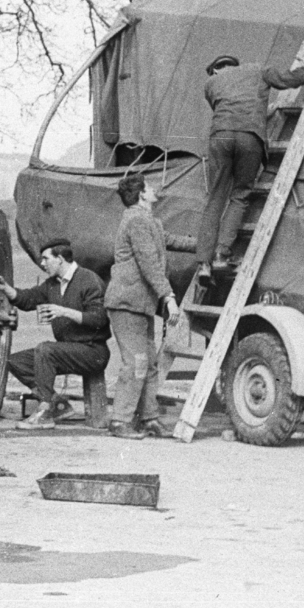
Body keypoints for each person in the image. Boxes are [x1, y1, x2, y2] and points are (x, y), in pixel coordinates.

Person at [197, 50, 304, 275]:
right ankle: (221, 255)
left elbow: (230, 112)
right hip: (250, 138)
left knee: (215, 199)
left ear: (215, 69)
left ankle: (204, 264)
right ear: (235, 65)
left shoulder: (211, 84)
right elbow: (286, 80)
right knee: (240, 195)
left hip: (221, 137)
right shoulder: (256, 70)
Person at [104, 173, 196, 439]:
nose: (155, 189)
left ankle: (149, 418)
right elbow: (149, 263)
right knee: (136, 362)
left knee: (149, 363)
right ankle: (120, 421)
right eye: (150, 186)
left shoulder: (148, 222)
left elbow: (171, 241)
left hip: (138, 305)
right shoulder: (136, 220)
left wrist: (206, 247)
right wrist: (169, 298)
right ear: (142, 193)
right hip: (127, 304)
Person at [0, 239, 110, 430]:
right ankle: (57, 404)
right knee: (14, 361)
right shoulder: (52, 285)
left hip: (93, 351)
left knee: (45, 350)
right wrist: (6, 288)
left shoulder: (90, 280)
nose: (42, 264)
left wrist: (64, 312)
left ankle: (45, 411)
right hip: (67, 350)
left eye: (46, 259)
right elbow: (28, 299)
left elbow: (100, 319)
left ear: (61, 259)